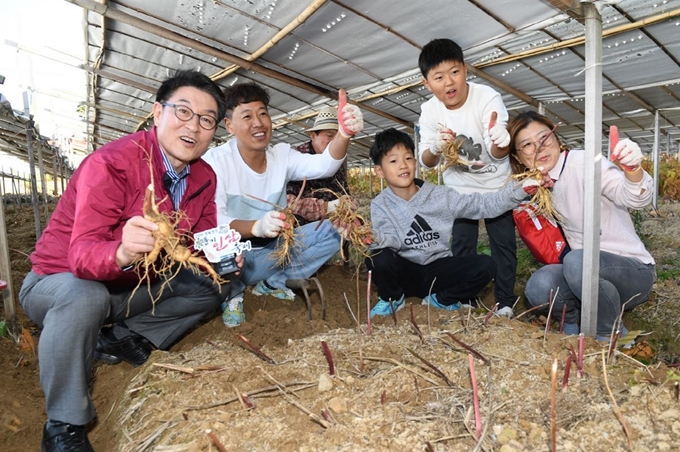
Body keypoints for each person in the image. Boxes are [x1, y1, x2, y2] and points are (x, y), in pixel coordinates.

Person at [18, 70, 236, 452]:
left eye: (206, 120)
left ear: (214, 130)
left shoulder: (204, 176)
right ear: (157, 113)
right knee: (84, 295)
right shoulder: (111, 163)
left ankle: (123, 336)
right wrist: (120, 251)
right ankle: (64, 423)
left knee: (213, 282)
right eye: (183, 112)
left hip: (130, 286)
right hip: (58, 283)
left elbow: (199, 241)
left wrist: (220, 255)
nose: (193, 127)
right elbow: (82, 255)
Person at [203, 82, 363, 327]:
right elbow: (214, 221)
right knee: (218, 242)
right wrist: (255, 227)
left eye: (263, 113)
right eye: (247, 116)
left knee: (338, 230)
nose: (258, 122)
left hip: (276, 251)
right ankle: (232, 295)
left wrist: (343, 134)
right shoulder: (217, 162)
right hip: (237, 262)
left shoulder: (281, 155)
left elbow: (325, 165)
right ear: (229, 125)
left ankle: (272, 284)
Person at [366, 128, 551, 318]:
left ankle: (441, 299)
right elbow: (391, 241)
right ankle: (393, 299)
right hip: (407, 273)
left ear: (415, 161)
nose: (403, 166)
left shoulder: (440, 195)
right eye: (393, 161)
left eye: (408, 158)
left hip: (439, 271)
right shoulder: (380, 205)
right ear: (379, 171)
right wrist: (368, 236)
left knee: (486, 265)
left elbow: (483, 205)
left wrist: (520, 189)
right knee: (377, 256)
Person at [507, 110, 656, 340]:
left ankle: (609, 332)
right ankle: (572, 322)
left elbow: (634, 198)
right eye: (527, 144)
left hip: (631, 271)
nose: (539, 148)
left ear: (556, 138)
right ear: (518, 157)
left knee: (576, 261)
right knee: (539, 284)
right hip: (584, 278)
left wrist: (633, 170)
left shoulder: (585, 164)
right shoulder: (537, 185)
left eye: (544, 138)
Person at [417, 38, 518, 317]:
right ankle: (465, 297)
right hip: (460, 189)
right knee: (462, 245)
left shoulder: (487, 98)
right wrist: (436, 146)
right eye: (438, 77)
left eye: (454, 72)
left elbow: (498, 154)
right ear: (427, 83)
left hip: (497, 185)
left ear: (465, 70)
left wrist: (500, 139)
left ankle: (505, 302)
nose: (449, 82)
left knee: (503, 244)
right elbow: (426, 162)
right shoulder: (429, 111)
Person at [286, 106, 350, 224]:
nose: (335, 141)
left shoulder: (338, 159)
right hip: (302, 230)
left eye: (338, 137)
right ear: (313, 135)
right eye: (330, 135)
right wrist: (327, 207)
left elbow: (344, 194)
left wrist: (348, 206)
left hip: (334, 225)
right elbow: (288, 204)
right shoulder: (297, 158)